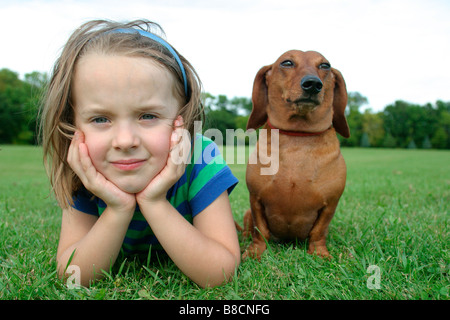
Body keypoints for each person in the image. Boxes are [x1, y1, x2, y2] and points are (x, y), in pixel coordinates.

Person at [39, 19, 240, 288]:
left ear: (183, 119)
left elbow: (221, 274)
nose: (125, 141)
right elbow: (74, 277)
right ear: (73, 124)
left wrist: (155, 202)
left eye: (147, 116)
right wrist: (117, 208)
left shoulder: (200, 158)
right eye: (100, 119)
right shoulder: (83, 167)